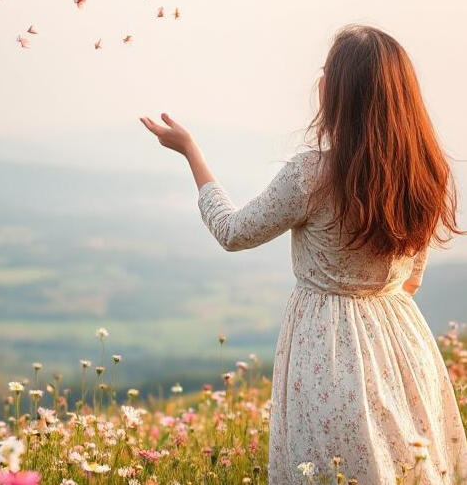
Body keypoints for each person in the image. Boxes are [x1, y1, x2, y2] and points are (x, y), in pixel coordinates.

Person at [140, 24, 467, 484]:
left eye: (327, 74)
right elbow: (413, 276)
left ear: (340, 94)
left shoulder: (311, 175)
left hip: (328, 350)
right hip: (404, 347)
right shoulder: (425, 170)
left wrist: (190, 150)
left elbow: (232, 232)